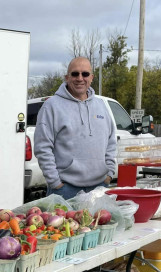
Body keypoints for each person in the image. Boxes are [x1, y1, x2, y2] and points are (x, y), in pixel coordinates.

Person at [34, 56, 117, 200]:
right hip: (65, 190)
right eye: (75, 74)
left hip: (99, 188)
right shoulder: (52, 106)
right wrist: (55, 182)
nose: (80, 78)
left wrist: (109, 174)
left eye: (85, 74)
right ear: (67, 77)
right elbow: (42, 147)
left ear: (91, 77)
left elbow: (111, 142)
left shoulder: (101, 105)